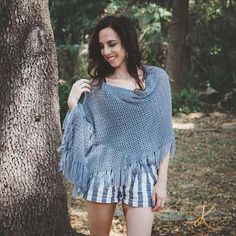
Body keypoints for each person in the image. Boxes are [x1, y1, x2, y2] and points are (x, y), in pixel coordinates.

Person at [59, 15, 175, 236]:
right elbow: (86, 137)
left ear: (127, 42)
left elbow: (164, 136)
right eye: (101, 46)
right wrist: (73, 104)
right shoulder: (97, 88)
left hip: (142, 174)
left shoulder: (157, 79)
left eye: (112, 44)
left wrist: (161, 183)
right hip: (102, 172)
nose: (106, 51)